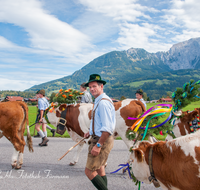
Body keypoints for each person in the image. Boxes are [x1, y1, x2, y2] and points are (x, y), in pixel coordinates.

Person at [84, 74, 116, 190]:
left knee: (89, 171)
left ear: (101, 86)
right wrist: (90, 131)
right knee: (100, 167)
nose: (92, 89)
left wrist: (98, 145)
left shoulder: (103, 103)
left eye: (94, 86)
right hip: (99, 137)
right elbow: (99, 122)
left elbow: (107, 128)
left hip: (101, 140)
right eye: (90, 87)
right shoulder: (98, 100)